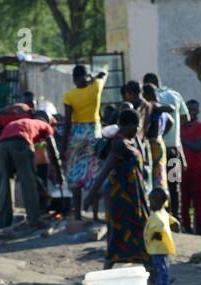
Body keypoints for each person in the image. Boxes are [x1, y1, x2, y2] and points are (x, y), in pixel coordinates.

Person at [85, 107, 151, 268]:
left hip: (131, 198)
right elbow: (104, 171)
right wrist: (90, 196)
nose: (138, 130)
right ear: (129, 125)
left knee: (138, 234)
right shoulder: (119, 144)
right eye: (137, 126)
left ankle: (153, 274)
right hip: (121, 200)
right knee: (119, 236)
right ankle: (105, 275)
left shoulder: (128, 141)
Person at [61, 64, 107, 220]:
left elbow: (67, 122)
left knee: (75, 175)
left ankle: (78, 216)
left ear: (73, 79)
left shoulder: (69, 95)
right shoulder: (96, 87)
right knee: (94, 174)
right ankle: (94, 215)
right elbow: (103, 73)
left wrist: (63, 147)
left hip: (76, 135)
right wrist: (92, 77)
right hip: (93, 133)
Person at [0, 111, 58, 229]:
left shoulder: (24, 122)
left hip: (2, 146)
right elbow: (53, 150)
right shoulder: (45, 125)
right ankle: (34, 220)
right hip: (21, 143)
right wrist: (59, 172)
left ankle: (5, 221)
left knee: (6, 181)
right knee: (28, 183)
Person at [143, 72, 188, 217]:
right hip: (174, 148)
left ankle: (160, 216)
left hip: (154, 149)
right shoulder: (175, 95)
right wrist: (175, 132)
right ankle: (177, 217)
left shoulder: (148, 97)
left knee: (157, 183)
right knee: (175, 184)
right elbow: (185, 117)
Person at [179, 99, 201, 233]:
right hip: (181, 169)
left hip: (197, 169)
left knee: (198, 202)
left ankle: (199, 232)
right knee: (183, 201)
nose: (192, 113)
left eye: (195, 110)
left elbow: (198, 146)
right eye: (190, 110)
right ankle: (187, 229)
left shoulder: (200, 127)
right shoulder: (179, 127)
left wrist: (180, 141)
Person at [146, 186, 176, 285]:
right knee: (162, 270)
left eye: (151, 201)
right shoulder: (163, 212)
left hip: (158, 249)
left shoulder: (158, 216)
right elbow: (172, 221)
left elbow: (161, 225)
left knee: (161, 270)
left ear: (159, 202)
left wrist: (156, 234)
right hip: (159, 248)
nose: (150, 204)